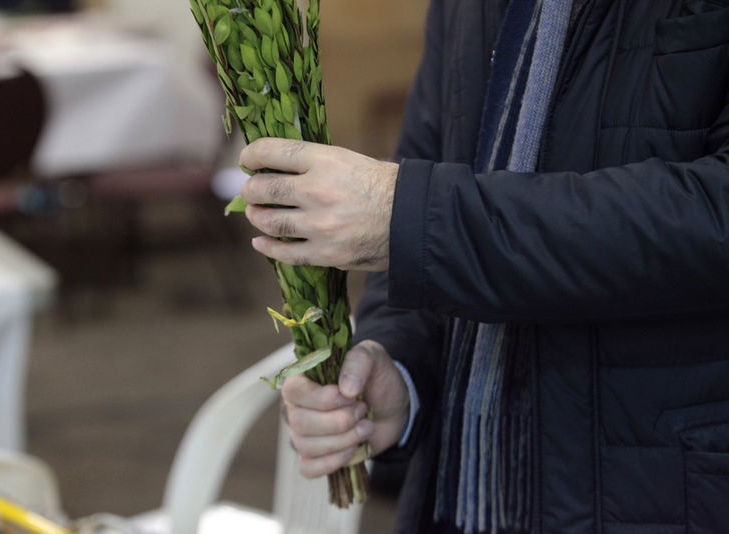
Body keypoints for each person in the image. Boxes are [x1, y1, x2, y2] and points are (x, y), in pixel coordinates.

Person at [239, 0, 729, 533]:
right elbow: (427, 168)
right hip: (466, 491)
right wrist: (400, 366)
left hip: (663, 488)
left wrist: (411, 218)